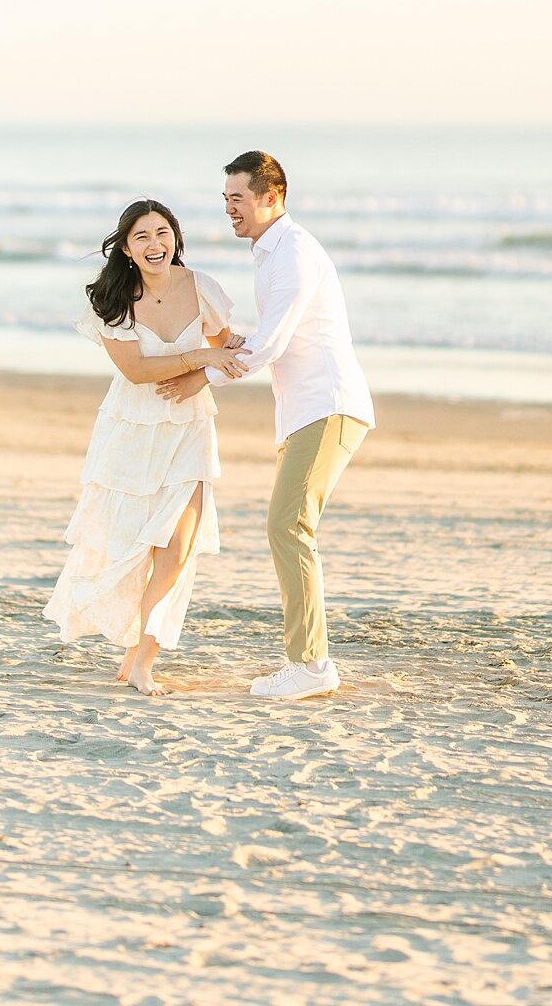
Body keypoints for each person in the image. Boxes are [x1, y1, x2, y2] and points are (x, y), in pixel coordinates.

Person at [158, 151, 374, 701]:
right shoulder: (271, 253)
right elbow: (264, 338)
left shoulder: (294, 252)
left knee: (288, 525)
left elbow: (273, 340)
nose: (229, 209)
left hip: (326, 406)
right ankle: (308, 660)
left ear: (271, 197)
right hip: (303, 410)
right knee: (288, 525)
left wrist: (204, 375)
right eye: (225, 200)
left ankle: (311, 665)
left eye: (238, 199)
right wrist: (217, 348)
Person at [44, 198, 246, 696]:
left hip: (188, 429)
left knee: (178, 546)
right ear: (128, 249)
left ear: (175, 238)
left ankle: (143, 658)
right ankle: (132, 642)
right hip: (131, 430)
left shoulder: (204, 288)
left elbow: (229, 347)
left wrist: (203, 373)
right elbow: (135, 371)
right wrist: (197, 355)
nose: (155, 245)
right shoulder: (112, 298)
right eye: (142, 237)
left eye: (162, 234)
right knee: (131, 544)